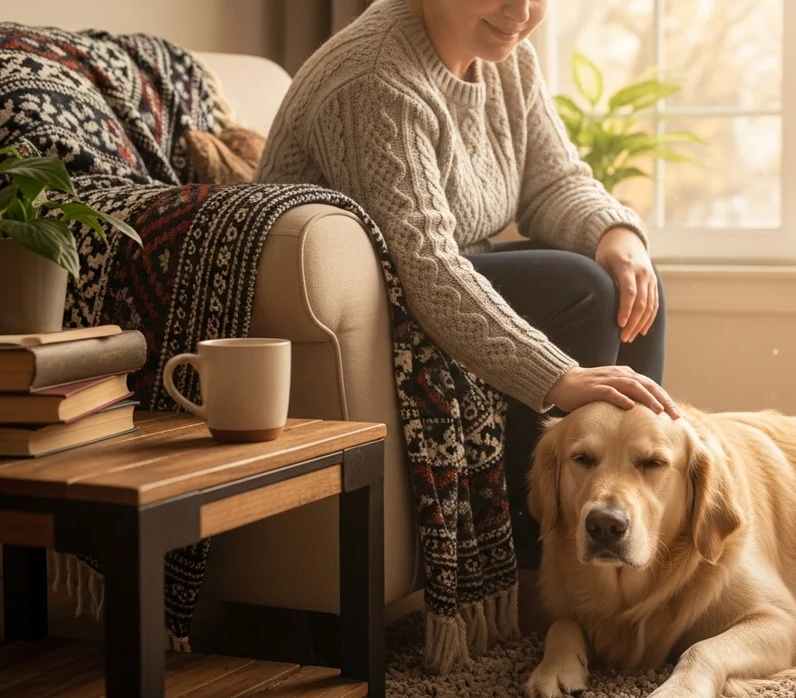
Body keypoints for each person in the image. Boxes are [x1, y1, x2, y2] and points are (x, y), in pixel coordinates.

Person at [256, 0, 677, 565]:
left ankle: (630, 526)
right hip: (381, 296)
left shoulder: (507, 56)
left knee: (627, 281)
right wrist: (557, 376)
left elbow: (552, 182)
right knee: (584, 291)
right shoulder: (375, 78)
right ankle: (540, 561)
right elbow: (426, 264)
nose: (521, 11)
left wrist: (617, 234)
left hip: (436, 269)